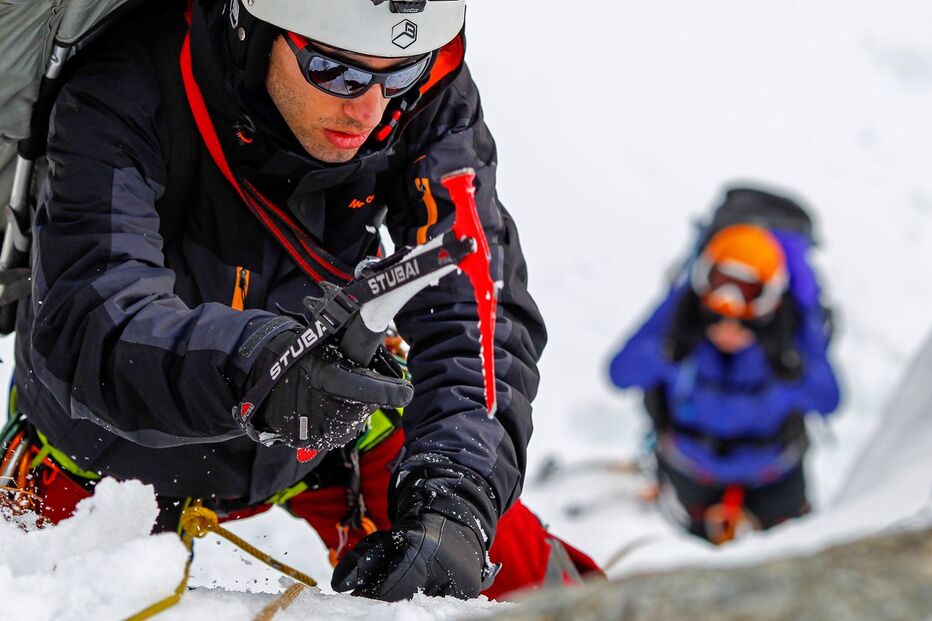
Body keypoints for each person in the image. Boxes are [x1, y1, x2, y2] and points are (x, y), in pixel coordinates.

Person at [2, 0, 599, 601]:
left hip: (321, 432)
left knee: (531, 580)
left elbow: (475, 304)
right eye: (336, 71)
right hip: (95, 457)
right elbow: (94, 311)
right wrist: (259, 370)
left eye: (399, 72)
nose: (369, 109)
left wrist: (456, 501)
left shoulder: (425, 96)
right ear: (253, 30)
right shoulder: (127, 84)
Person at [609, 188, 840, 544]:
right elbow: (619, 372)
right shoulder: (682, 318)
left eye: (747, 292)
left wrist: (786, 365)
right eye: (719, 287)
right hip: (693, 475)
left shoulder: (790, 332)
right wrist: (672, 351)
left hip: (773, 479)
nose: (729, 310)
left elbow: (829, 398)